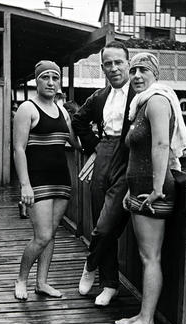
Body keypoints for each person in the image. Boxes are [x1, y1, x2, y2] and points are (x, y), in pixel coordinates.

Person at [114, 52, 186, 324]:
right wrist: (130, 191)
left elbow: (160, 145)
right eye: (132, 70)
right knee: (147, 256)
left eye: (143, 70)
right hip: (140, 188)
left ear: (155, 74)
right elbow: (137, 152)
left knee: (150, 257)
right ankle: (142, 315)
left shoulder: (157, 101)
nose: (136, 75)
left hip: (153, 191)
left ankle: (147, 321)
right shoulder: (141, 104)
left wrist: (157, 189)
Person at [72, 40, 135, 306]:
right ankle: (109, 284)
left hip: (128, 158)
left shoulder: (141, 93)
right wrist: (95, 146)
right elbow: (77, 120)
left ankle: (90, 264)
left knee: (106, 224)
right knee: (99, 216)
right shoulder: (99, 97)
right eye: (108, 64)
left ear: (128, 64)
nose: (113, 68)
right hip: (103, 155)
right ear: (102, 68)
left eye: (118, 62)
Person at [14, 60, 81, 301]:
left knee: (51, 235)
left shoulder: (63, 111)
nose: (50, 82)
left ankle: (42, 282)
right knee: (41, 236)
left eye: (55, 78)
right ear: (37, 80)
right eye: (45, 77)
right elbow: (19, 149)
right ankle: (21, 279)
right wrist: (25, 185)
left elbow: (75, 143)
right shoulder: (27, 109)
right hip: (37, 181)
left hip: (61, 180)